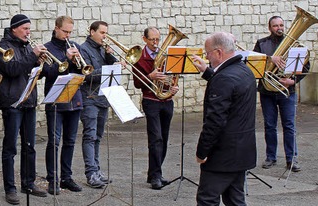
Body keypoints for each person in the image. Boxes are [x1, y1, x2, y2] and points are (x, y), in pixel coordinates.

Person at [191, 32, 257, 206]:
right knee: (235, 200)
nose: (207, 58)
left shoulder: (224, 78)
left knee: (207, 200)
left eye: (208, 54)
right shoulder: (245, 71)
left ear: (219, 52)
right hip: (242, 150)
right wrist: (208, 72)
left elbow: (215, 121)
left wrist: (202, 152)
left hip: (223, 154)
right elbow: (231, 91)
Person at [0, 14, 48, 205]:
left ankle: (28, 183)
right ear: (14, 28)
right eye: (25, 28)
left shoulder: (26, 47)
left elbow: (30, 73)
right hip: (12, 102)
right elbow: (12, 69)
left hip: (28, 100)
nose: (28, 32)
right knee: (10, 148)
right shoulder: (2, 47)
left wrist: (39, 63)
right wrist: (32, 55)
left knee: (29, 146)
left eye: (29, 28)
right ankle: (10, 188)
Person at [254, 16, 309, 172]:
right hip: (267, 91)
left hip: (287, 91)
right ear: (269, 27)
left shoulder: (294, 45)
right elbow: (254, 61)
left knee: (289, 126)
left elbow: (306, 66)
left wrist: (293, 81)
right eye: (275, 26)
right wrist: (271, 58)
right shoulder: (261, 44)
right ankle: (271, 157)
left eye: (281, 25)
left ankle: (292, 159)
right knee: (270, 125)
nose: (279, 28)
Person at [132, 26, 179, 190]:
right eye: (152, 39)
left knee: (164, 139)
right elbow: (138, 83)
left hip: (167, 101)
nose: (156, 43)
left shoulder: (167, 56)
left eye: (158, 39)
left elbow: (173, 76)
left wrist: (173, 87)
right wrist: (150, 76)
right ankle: (156, 176)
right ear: (144, 39)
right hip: (151, 101)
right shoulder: (139, 57)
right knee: (155, 139)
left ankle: (154, 173)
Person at [41, 15, 83, 195]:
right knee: (54, 142)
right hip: (56, 101)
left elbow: (83, 72)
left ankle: (66, 177)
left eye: (70, 32)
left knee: (70, 141)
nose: (67, 35)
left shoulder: (75, 46)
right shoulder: (47, 49)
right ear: (56, 28)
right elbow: (47, 73)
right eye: (65, 31)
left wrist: (77, 62)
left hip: (75, 100)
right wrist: (66, 59)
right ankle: (53, 179)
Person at [78, 20, 119, 188]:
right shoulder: (83, 49)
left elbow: (111, 69)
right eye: (102, 33)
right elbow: (87, 74)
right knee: (90, 135)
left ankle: (96, 170)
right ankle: (90, 173)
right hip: (89, 98)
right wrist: (109, 69)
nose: (105, 36)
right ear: (92, 32)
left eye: (106, 33)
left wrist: (110, 56)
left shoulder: (103, 50)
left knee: (98, 137)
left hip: (103, 98)